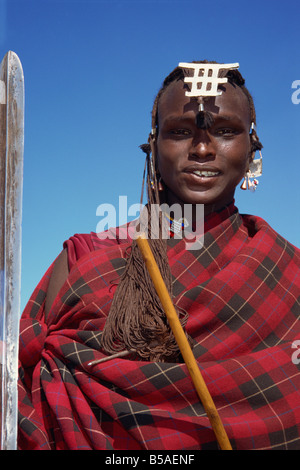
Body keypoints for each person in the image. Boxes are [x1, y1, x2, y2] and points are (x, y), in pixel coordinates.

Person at [18, 61, 300, 450]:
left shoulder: (284, 270)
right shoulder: (85, 256)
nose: (202, 149)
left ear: (252, 148)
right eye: (180, 132)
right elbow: (27, 386)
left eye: (225, 131)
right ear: (153, 145)